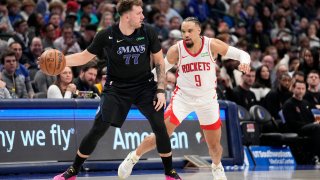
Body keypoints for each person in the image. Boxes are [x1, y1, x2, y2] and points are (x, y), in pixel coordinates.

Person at [53, 0, 180, 179]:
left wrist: (160, 89)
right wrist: (61, 61)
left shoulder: (148, 31)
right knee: (99, 128)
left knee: (160, 126)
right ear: (127, 16)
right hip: (117, 88)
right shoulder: (106, 35)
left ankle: (170, 173)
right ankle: (73, 170)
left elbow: (159, 62)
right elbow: (83, 57)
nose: (143, 16)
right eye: (139, 13)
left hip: (145, 86)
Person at [117, 17, 251, 180]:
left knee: (214, 145)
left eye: (189, 31)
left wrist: (244, 62)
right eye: (183, 31)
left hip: (207, 100)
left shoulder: (212, 44)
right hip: (183, 98)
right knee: (161, 135)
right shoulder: (176, 49)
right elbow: (161, 69)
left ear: (199, 31)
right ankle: (133, 158)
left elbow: (242, 54)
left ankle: (216, 166)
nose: (186, 34)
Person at [282, 80, 320, 163]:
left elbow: (312, 119)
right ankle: (316, 155)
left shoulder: (306, 103)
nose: (301, 91)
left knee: (317, 126)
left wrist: (313, 123)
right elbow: (291, 123)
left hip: (308, 128)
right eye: (298, 88)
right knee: (317, 127)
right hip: (297, 129)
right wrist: (312, 124)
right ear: (293, 89)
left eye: (303, 88)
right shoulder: (288, 104)